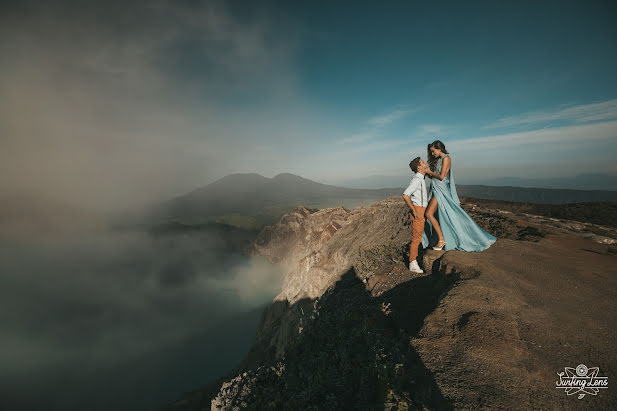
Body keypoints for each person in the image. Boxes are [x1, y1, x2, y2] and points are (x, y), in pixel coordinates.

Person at [422, 140, 497, 252]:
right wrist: (427, 172)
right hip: (436, 190)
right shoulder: (439, 160)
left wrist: (429, 171)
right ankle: (441, 238)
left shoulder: (446, 158)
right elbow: (436, 176)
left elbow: (442, 176)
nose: (432, 154)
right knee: (441, 215)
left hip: (441, 191)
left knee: (429, 214)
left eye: (433, 151)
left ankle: (442, 240)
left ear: (439, 148)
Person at [402, 156, 429, 273]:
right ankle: (412, 263)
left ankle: (414, 260)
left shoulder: (421, 178)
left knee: (419, 236)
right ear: (419, 167)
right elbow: (405, 195)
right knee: (416, 238)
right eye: (423, 162)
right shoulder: (417, 180)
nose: (425, 163)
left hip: (421, 209)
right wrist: (413, 210)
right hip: (418, 210)